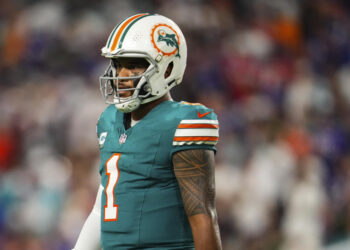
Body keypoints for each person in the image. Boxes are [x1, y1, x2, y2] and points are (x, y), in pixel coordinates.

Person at [72, 13, 222, 250]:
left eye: (132, 65)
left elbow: (203, 216)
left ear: (167, 68)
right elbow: (104, 204)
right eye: (118, 65)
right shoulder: (109, 120)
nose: (120, 75)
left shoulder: (183, 122)